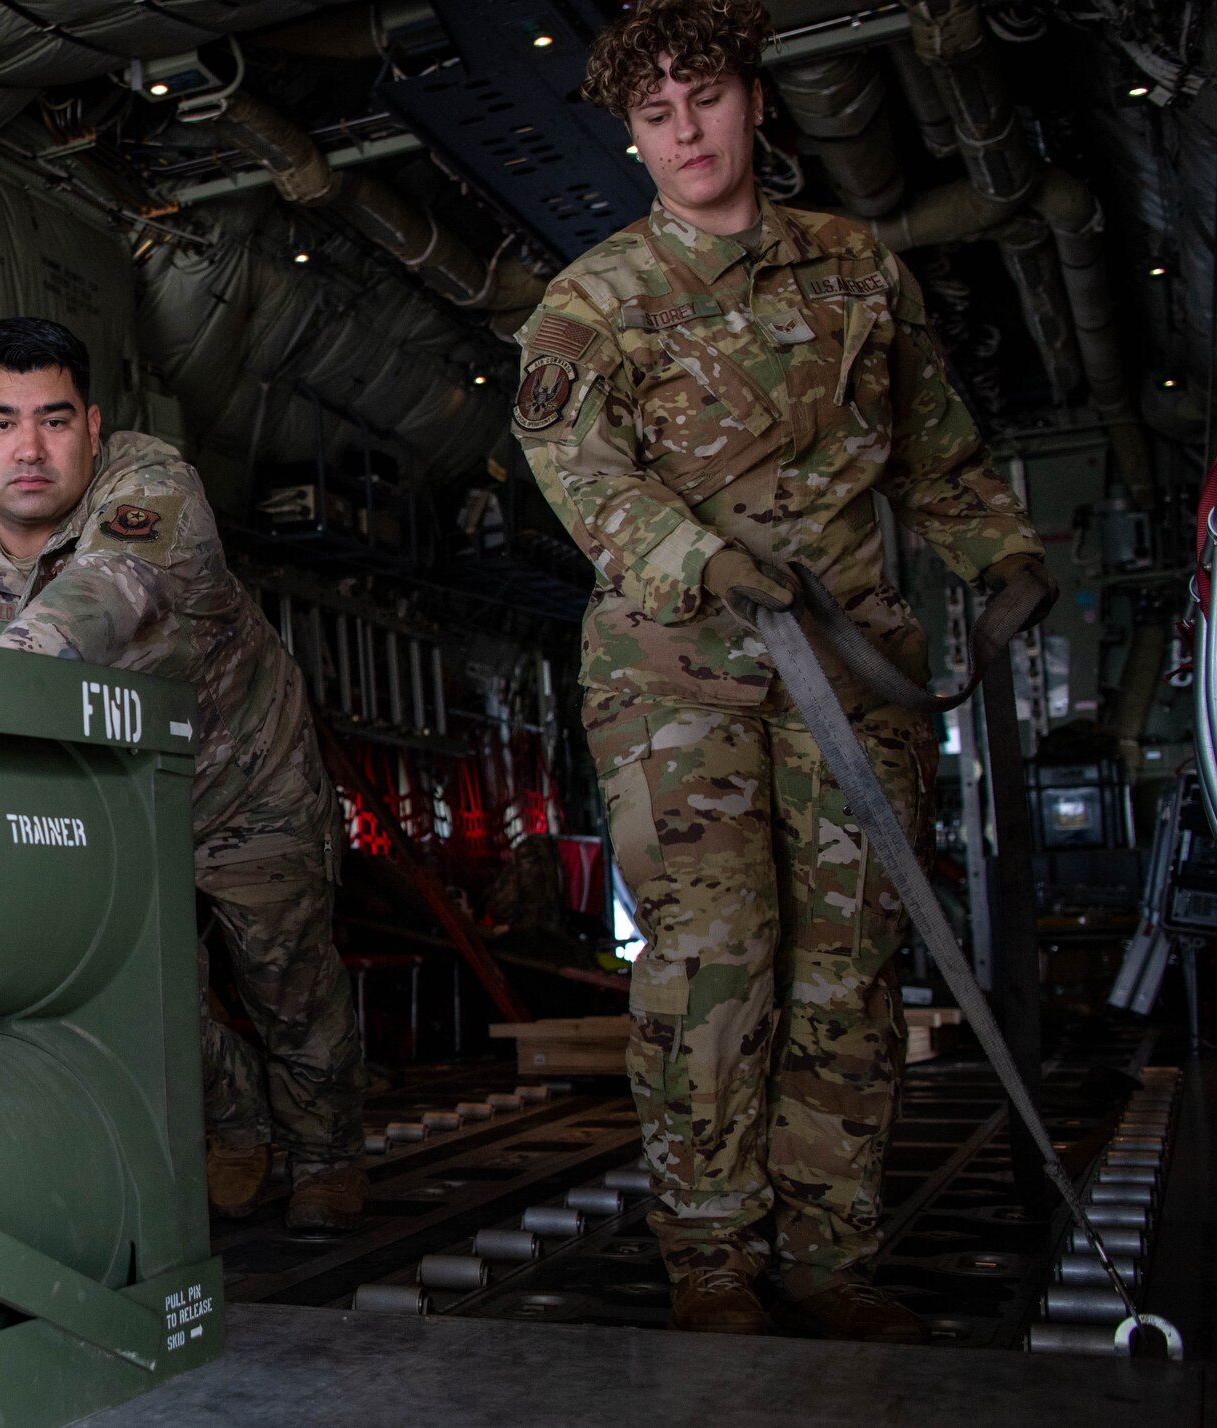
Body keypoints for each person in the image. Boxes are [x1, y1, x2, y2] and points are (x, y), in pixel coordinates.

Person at [516, 0, 1052, 1340]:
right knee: (713, 961)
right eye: (657, 115)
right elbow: (581, 479)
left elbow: (932, 444)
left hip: (854, 664)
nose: (688, 131)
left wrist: (999, 558)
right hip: (673, 680)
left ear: (755, 100)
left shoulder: (859, 273)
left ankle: (832, 1259)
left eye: (707, 98)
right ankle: (712, 1260)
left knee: (852, 965)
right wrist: (699, 557)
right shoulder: (593, 302)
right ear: (634, 140)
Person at [0, 317, 369, 1232]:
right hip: (111, 795)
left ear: (91, 425)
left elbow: (106, 598)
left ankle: (326, 1156)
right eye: (1, 423)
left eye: (53, 420)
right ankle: (234, 1115)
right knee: (138, 987)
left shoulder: (152, 485)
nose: (30, 449)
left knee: (288, 984)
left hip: (243, 781)